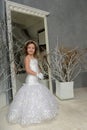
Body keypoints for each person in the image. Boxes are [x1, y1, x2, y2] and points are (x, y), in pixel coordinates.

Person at [7, 40, 58, 126]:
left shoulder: (35, 58)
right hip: (31, 79)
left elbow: (37, 67)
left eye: (33, 48)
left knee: (39, 95)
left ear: (35, 49)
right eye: (29, 48)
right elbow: (28, 70)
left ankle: (40, 112)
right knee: (30, 95)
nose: (31, 49)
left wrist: (40, 72)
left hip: (36, 80)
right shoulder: (27, 58)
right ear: (26, 49)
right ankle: (29, 114)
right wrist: (37, 74)